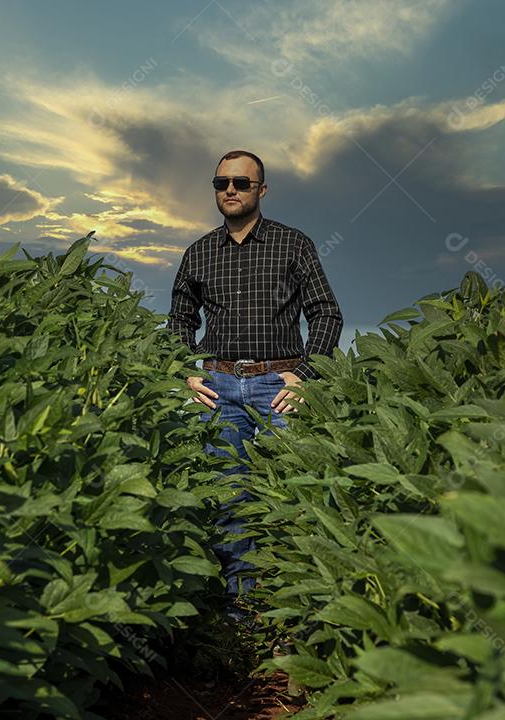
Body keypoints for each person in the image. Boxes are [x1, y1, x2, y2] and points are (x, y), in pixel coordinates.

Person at [165, 149, 343, 606]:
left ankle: (297, 611)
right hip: (218, 389)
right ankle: (239, 614)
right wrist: (186, 371)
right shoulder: (198, 252)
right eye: (221, 183)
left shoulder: (293, 244)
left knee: (295, 491)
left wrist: (304, 374)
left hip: (278, 387)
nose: (230, 190)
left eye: (242, 183)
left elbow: (326, 314)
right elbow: (180, 322)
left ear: (261, 190)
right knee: (228, 497)